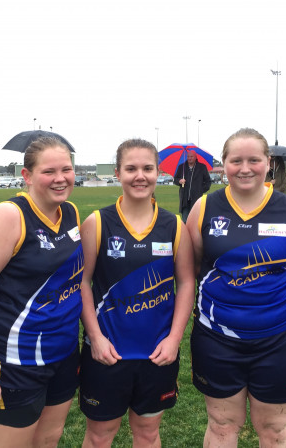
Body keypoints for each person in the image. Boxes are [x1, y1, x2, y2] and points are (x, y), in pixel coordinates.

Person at [186, 128, 286, 447]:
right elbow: (193, 269)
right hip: (216, 339)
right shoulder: (204, 209)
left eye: (254, 160)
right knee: (222, 426)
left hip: (280, 340)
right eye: (236, 160)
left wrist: (270, 301)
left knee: (274, 430)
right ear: (224, 164)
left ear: (268, 162)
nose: (245, 168)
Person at [0, 137, 83, 448]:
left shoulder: (70, 212)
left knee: (49, 440)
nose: (60, 178)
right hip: (15, 361)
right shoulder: (9, 215)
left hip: (64, 352)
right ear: (27, 175)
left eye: (66, 169)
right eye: (48, 171)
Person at [79, 139, 195, 448]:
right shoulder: (97, 222)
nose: (140, 176)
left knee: (147, 434)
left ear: (158, 173)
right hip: (106, 354)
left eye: (147, 168)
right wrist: (96, 338)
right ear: (118, 173)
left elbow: (186, 283)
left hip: (157, 355)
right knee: (99, 436)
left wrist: (174, 339)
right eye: (131, 169)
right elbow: (82, 283)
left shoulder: (174, 225)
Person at [173, 149, 212, 221]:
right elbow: (175, 179)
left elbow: (208, 182)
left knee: (195, 220)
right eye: (188, 156)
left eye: (191, 156)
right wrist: (179, 181)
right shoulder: (182, 167)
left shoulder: (202, 167)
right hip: (184, 199)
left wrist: (200, 190)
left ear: (195, 157)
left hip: (196, 199)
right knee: (185, 220)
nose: (189, 158)